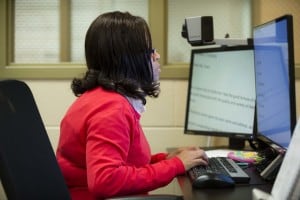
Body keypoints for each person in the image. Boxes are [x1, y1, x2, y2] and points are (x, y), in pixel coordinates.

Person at [56, 11, 208, 200]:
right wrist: (175, 165)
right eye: (149, 50)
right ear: (128, 59)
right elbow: (105, 180)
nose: (157, 55)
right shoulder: (110, 109)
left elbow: (124, 161)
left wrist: (165, 160)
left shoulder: (102, 98)